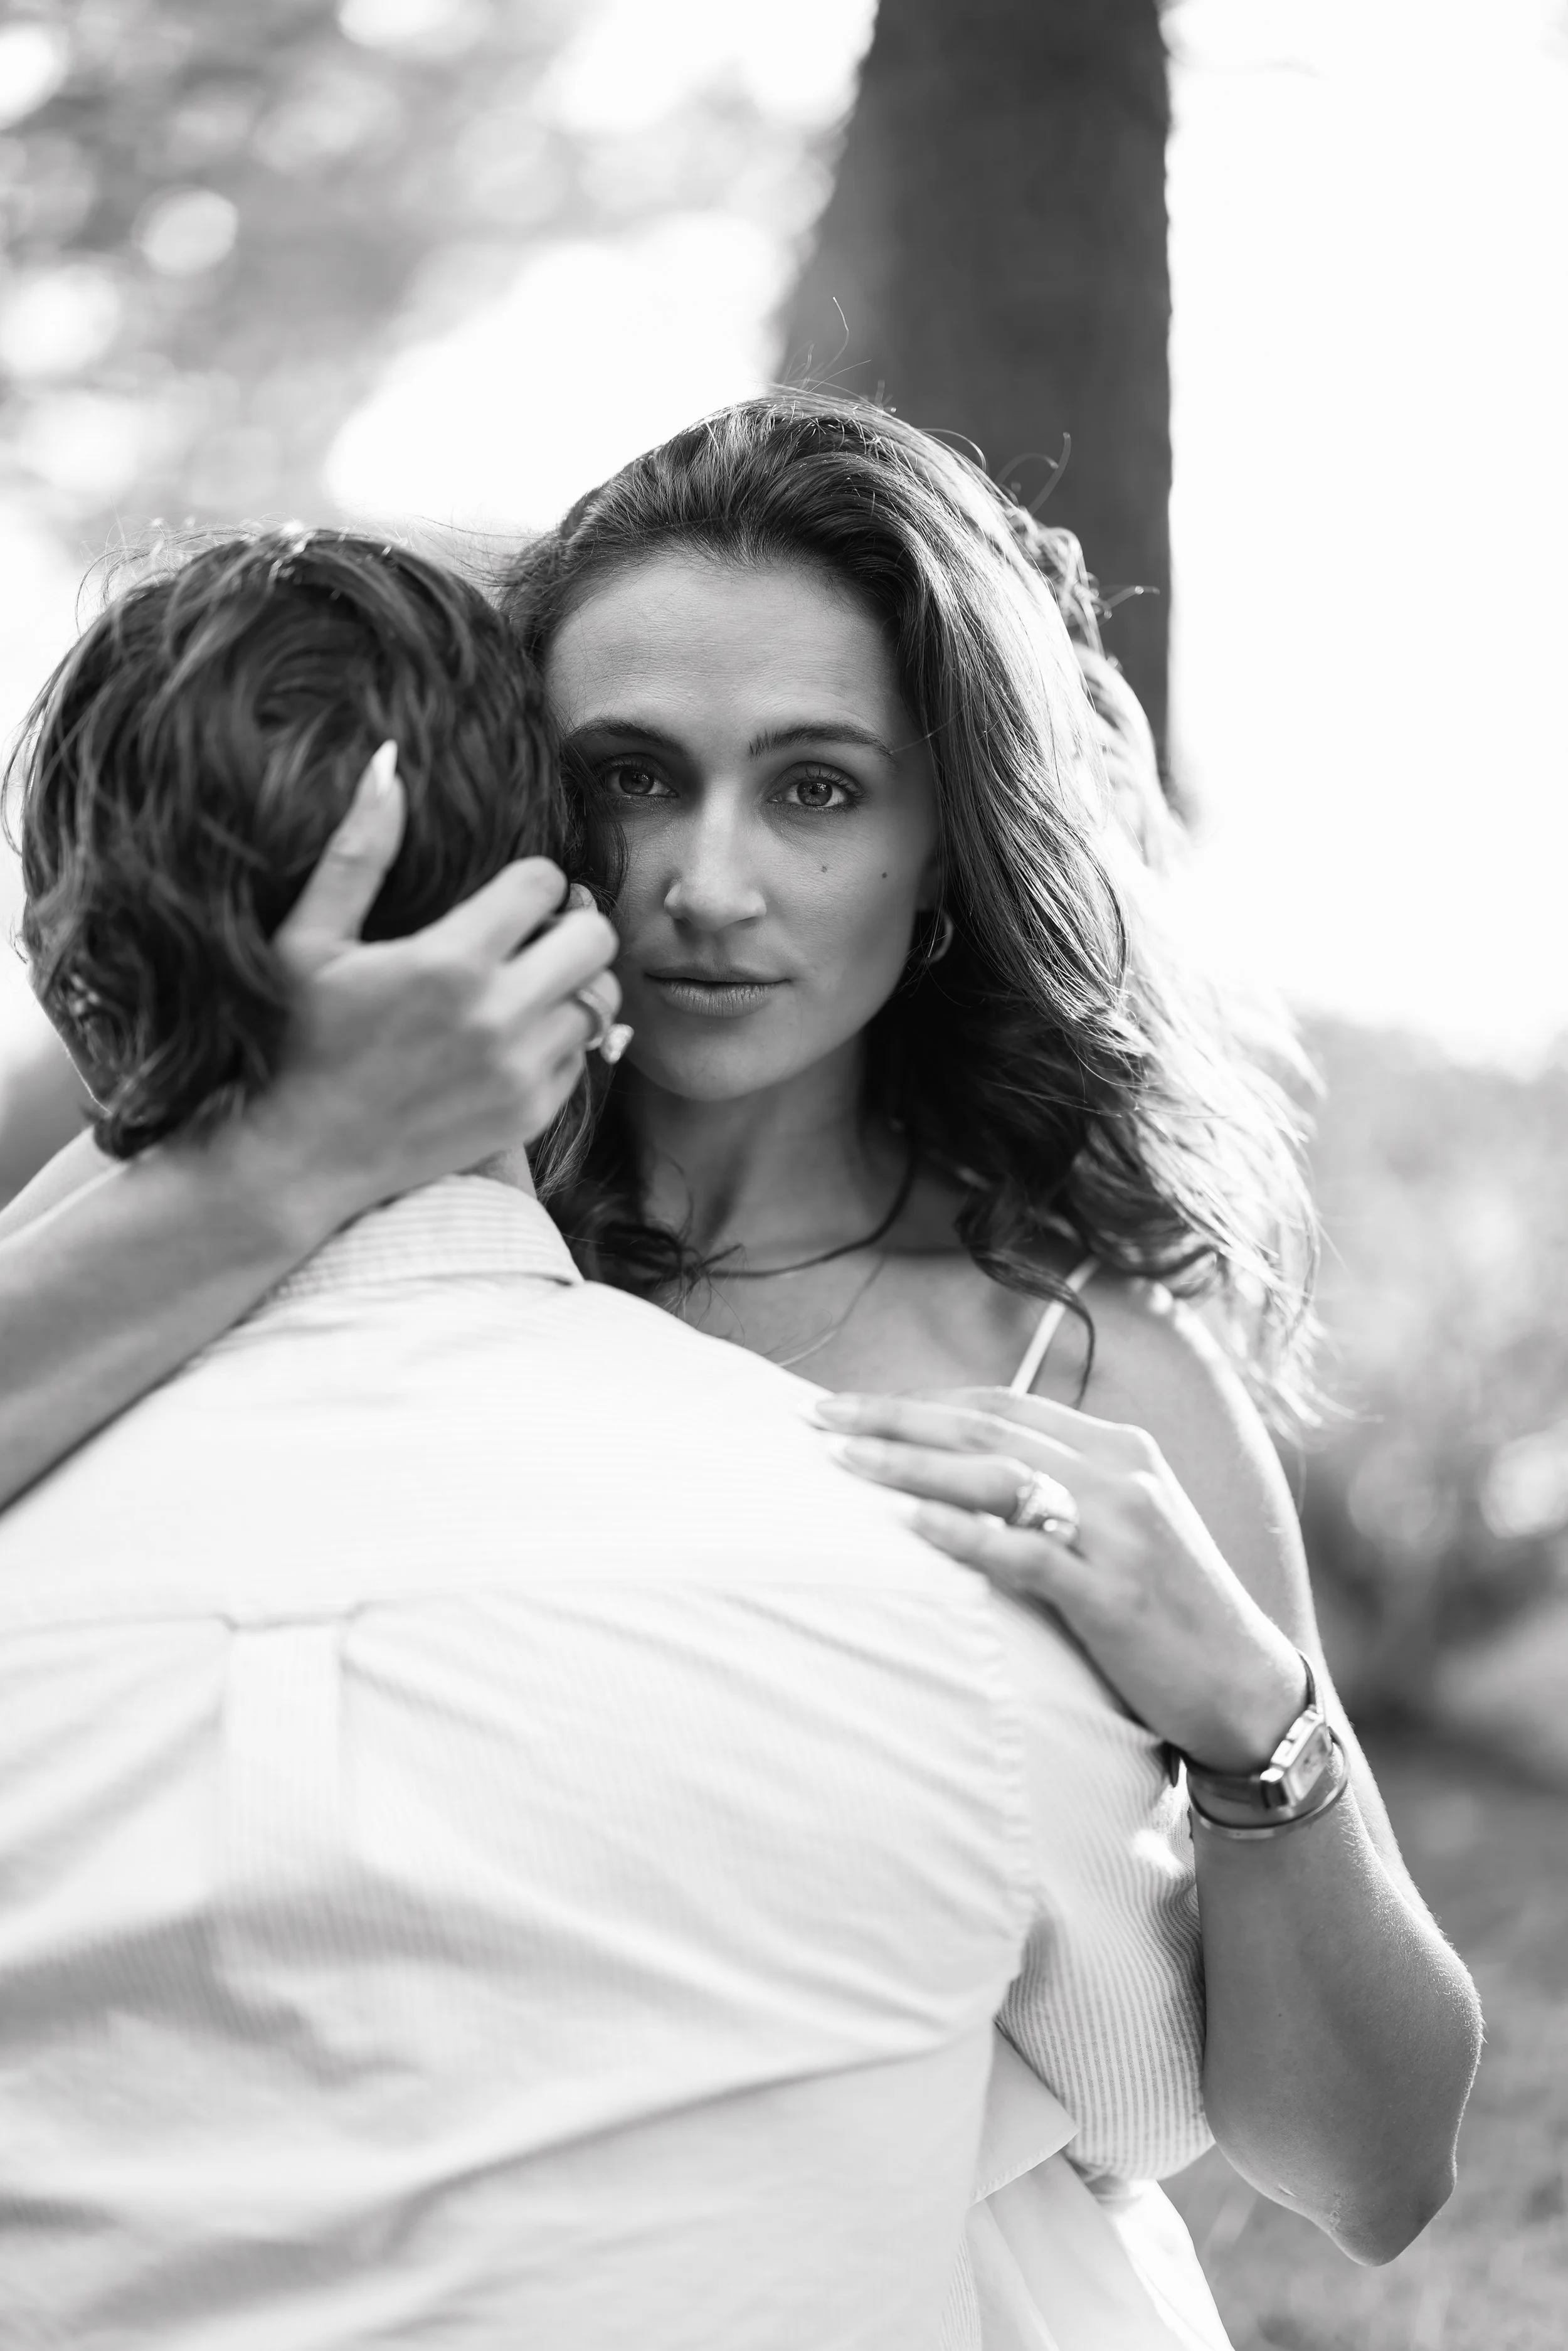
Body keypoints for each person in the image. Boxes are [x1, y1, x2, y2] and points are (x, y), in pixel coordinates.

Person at [0, 400, 1481, 2330]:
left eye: (816, 789)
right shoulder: (247, 1199)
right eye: (630, 777)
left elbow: (1365, 2169)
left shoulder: (1082, 1357)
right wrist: (286, 1159)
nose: (709, 884)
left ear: (944, 842)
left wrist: (1254, 1723)